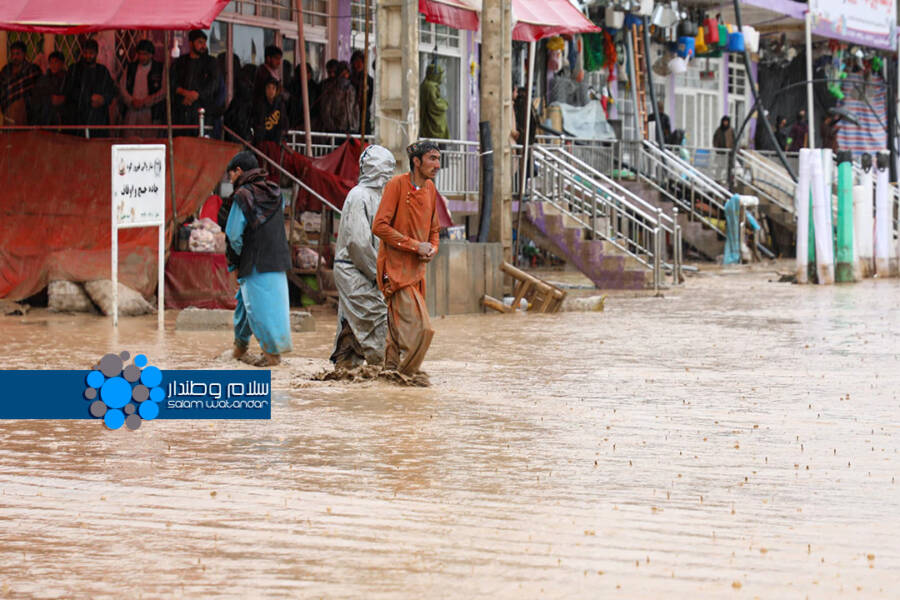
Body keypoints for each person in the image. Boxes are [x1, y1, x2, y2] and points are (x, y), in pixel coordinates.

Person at [371, 141, 442, 382]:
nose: (437, 165)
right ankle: (407, 375)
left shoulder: (431, 189)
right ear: (416, 161)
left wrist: (432, 248)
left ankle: (390, 377)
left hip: (417, 271)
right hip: (395, 271)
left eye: (438, 159)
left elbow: (435, 229)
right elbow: (379, 226)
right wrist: (414, 245)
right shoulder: (396, 185)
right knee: (423, 330)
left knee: (397, 333)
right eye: (432, 159)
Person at [218, 151, 292, 367]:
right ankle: (239, 348)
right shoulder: (276, 193)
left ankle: (272, 356)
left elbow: (233, 235)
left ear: (239, 171)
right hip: (277, 258)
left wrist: (239, 259)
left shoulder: (242, 196)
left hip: (255, 261)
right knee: (247, 304)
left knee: (260, 309)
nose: (231, 180)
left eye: (231, 175)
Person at [330, 145, 397, 368]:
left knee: (353, 320)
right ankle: (387, 369)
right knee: (376, 318)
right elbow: (357, 243)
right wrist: (379, 273)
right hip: (354, 269)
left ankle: (346, 367)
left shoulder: (380, 197)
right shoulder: (359, 196)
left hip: (366, 269)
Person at [170, 30, 219, 133]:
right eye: (200, 42)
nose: (203, 46)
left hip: (202, 112)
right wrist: (185, 93)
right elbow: (172, 82)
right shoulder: (180, 62)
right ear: (191, 43)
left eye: (204, 43)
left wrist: (197, 94)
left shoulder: (210, 62)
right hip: (181, 112)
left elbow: (214, 84)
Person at [65, 39, 115, 136]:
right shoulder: (74, 70)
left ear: (96, 53)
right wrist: (89, 98)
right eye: (85, 53)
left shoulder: (103, 71)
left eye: (91, 53)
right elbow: (70, 91)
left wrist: (103, 99)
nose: (88, 56)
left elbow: (111, 91)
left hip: (99, 119)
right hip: (78, 118)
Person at [118, 40, 166, 136]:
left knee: (149, 142)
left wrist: (146, 102)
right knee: (129, 140)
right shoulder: (131, 67)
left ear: (151, 54)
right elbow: (122, 87)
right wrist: (131, 101)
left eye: (145, 54)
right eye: (140, 54)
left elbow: (164, 90)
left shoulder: (160, 68)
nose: (142, 57)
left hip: (151, 111)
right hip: (132, 109)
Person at [0, 41, 42, 126]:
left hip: (27, 110)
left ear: (24, 54)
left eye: (18, 54)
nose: (14, 57)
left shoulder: (32, 69)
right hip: (8, 109)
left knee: (22, 136)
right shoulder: (6, 69)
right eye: (13, 54)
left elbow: (37, 89)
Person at [315, 61, 358, 133]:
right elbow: (326, 110)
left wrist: (355, 125)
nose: (344, 75)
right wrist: (332, 127)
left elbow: (355, 108)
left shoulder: (351, 89)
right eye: (342, 73)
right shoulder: (330, 88)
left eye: (346, 73)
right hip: (335, 129)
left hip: (351, 129)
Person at [33, 51, 68, 127]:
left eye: (56, 62)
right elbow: (37, 97)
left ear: (62, 64)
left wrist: (64, 99)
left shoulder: (69, 79)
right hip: (47, 118)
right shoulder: (43, 80)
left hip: (65, 117)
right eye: (51, 63)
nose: (53, 65)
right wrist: (50, 99)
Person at [252, 77, 287, 145]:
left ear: (276, 90)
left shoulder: (280, 105)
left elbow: (283, 122)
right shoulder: (260, 105)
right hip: (262, 142)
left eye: (273, 88)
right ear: (265, 90)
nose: (270, 91)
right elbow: (257, 122)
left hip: (275, 142)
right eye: (268, 88)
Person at [419, 63, 449, 139]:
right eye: (439, 74)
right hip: (433, 127)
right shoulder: (430, 87)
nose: (441, 77)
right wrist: (445, 104)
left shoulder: (426, 85)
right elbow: (435, 105)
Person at [288, 63, 319, 129]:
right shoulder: (293, 86)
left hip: (309, 124)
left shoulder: (315, 88)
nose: (305, 74)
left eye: (307, 72)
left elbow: (315, 109)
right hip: (293, 122)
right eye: (302, 72)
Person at [350, 50, 373, 134]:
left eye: (360, 62)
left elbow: (369, 99)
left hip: (363, 114)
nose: (358, 65)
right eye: (356, 62)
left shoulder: (368, 80)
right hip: (351, 115)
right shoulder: (350, 79)